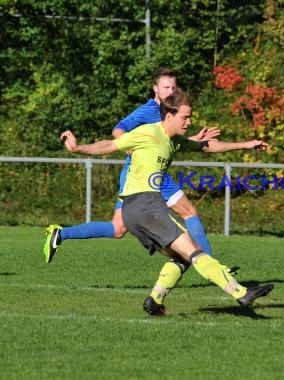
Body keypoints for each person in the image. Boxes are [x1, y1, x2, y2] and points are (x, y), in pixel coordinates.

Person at [59, 88, 274, 312]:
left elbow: (205, 146)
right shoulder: (148, 132)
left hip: (134, 212)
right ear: (169, 116)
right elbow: (109, 144)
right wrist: (77, 148)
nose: (189, 122)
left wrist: (245, 144)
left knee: (182, 257)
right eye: (185, 117)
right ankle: (241, 293)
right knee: (194, 250)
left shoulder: (174, 140)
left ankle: (156, 300)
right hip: (146, 205)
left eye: (190, 117)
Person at [44, 68, 232, 273]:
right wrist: (131, 148)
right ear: (155, 89)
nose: (170, 91)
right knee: (179, 215)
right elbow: (118, 130)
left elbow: (171, 141)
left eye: (173, 87)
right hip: (141, 175)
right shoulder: (147, 111)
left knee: (125, 227)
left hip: (157, 175)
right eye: (166, 87)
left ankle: (61, 234)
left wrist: (193, 140)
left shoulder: (175, 111)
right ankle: (212, 267)